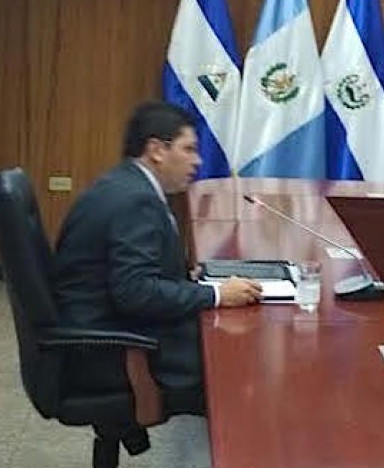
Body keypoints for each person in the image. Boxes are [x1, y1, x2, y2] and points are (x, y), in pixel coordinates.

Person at [53, 101, 262, 400]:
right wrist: (216, 294)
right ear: (157, 150)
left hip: (109, 328)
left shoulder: (125, 183)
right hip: (114, 349)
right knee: (241, 360)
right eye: (189, 149)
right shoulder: (136, 201)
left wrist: (191, 280)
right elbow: (135, 292)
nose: (198, 161)